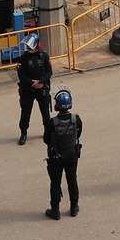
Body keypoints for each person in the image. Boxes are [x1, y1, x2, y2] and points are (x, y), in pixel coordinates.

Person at [43, 89, 83, 220]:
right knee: (72, 179)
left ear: (57, 106)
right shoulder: (76, 119)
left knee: (55, 182)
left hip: (56, 156)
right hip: (72, 154)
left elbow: (46, 139)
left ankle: (55, 210)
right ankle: (74, 207)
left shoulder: (52, 122)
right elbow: (78, 134)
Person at [16, 33, 53, 146]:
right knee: (25, 113)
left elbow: (49, 72)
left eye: (30, 46)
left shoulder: (44, 56)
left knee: (45, 112)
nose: (28, 48)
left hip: (42, 88)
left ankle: (47, 132)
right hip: (28, 89)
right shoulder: (23, 58)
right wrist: (32, 83)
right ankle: (23, 133)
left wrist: (41, 81)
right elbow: (21, 75)